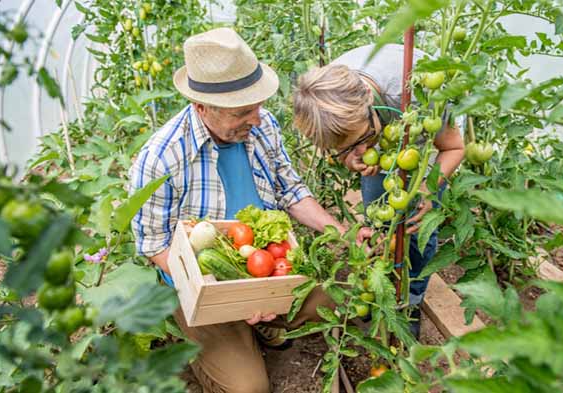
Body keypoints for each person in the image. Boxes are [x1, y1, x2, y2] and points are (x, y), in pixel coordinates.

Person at [129, 28, 369, 393]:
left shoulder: (263, 126)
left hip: (268, 265)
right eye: (243, 111)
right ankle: (208, 340)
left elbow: (291, 191)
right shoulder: (161, 158)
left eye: (257, 106)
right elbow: (155, 245)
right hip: (205, 286)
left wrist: (341, 232)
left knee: (343, 289)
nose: (257, 118)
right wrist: (224, 293)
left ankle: (263, 323)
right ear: (202, 107)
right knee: (249, 388)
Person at [293, 43, 465, 338]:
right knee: (378, 222)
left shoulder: (419, 93)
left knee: (419, 228)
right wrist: (350, 156)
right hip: (387, 136)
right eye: (349, 147)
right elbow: (344, 145)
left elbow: (455, 148)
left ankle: (412, 299)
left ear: (371, 102)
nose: (362, 151)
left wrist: (426, 189)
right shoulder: (327, 98)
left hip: (426, 143)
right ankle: (382, 288)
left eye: (364, 139)